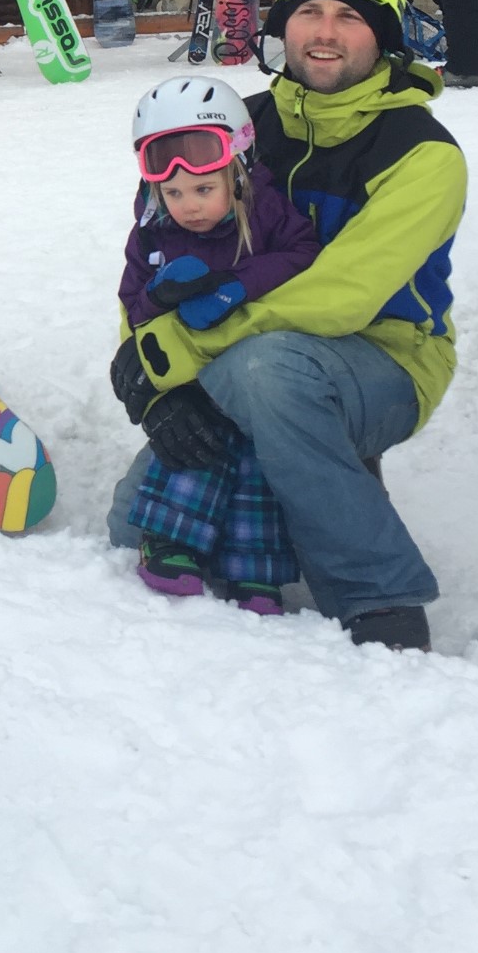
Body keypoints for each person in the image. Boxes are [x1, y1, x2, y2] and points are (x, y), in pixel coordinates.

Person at [108, 0, 466, 654]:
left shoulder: (423, 154)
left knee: (267, 372)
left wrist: (177, 351)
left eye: (349, 16)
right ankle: (287, 504)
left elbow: (341, 295)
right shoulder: (240, 125)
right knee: (129, 526)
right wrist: (154, 370)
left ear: (384, 33)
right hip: (241, 352)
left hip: (387, 359)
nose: (324, 32)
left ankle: (379, 596)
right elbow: (153, 250)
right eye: (308, 11)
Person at [119, 77, 320, 614]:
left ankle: (255, 573)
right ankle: (170, 542)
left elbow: (305, 254)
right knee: (195, 445)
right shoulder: (152, 232)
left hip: (257, 367)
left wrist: (239, 285)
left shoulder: (267, 211)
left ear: (237, 171)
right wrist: (159, 295)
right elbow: (131, 304)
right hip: (194, 376)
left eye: (204, 189)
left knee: (258, 464)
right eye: (174, 193)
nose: (189, 206)